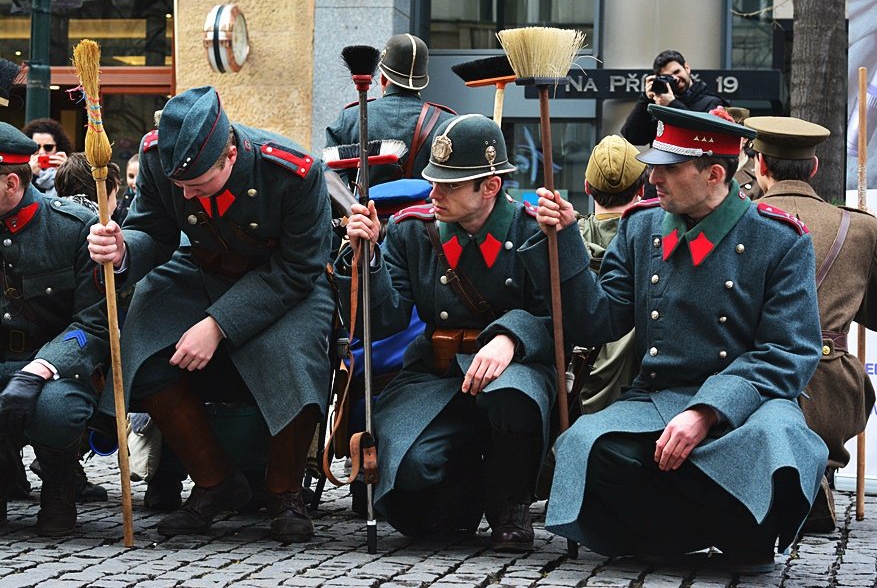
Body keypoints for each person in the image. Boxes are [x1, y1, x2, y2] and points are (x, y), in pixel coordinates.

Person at [521, 104, 828, 573]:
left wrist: (706, 412)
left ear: (715, 173)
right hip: (658, 396)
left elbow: (789, 351)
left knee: (779, 443)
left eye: (669, 168)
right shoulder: (641, 226)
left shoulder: (779, 239)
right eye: (653, 166)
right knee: (587, 445)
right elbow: (598, 321)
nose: (653, 179)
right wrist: (564, 239)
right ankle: (675, 534)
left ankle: (740, 536)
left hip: (747, 402)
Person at [84, 86, 334, 542]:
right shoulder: (160, 158)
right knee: (140, 344)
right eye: (182, 188)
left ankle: (284, 492)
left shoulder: (294, 172)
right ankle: (217, 482)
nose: (189, 196)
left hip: (284, 283)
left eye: (199, 186)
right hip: (200, 270)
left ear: (231, 156)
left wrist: (218, 325)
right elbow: (152, 232)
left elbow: (300, 268)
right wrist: (122, 249)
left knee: (295, 355)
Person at [336, 113, 555, 552]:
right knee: (408, 481)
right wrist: (368, 258)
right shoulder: (412, 233)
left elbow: (564, 322)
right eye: (434, 181)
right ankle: (469, 485)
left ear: (489, 187)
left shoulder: (533, 232)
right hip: (436, 375)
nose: (434, 193)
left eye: (450, 185)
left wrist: (510, 336)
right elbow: (387, 319)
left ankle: (510, 502)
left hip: (514, 373)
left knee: (511, 397)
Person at [746, 115, 877, 532]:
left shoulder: (743, 219)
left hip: (761, 378)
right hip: (835, 391)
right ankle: (817, 471)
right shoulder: (859, 227)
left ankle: (787, 478)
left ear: (760, 165)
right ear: (814, 168)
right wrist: (868, 252)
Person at [0, 122, 107, 536]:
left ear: (11, 182)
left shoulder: (75, 228)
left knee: (54, 410)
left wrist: (42, 367)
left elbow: (92, 325)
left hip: (60, 368)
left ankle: (59, 486)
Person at [325, 33, 456, 186]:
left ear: (383, 79)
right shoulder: (447, 123)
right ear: (422, 82)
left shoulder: (349, 119)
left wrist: (351, 206)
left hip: (362, 209)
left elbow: (330, 179)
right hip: (426, 210)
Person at [576, 135, 645, 414]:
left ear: (586, 188)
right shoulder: (655, 250)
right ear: (642, 190)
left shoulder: (560, 246)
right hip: (636, 405)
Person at [621, 50, 729, 146]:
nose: (675, 79)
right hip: (661, 167)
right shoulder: (659, 105)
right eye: (668, 77)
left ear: (687, 68)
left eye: (677, 72)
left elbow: (702, 139)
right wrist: (645, 98)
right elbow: (632, 137)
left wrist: (672, 104)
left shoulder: (713, 103)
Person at [21, 118, 74, 198]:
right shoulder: (20, 169)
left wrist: (67, 172)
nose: (42, 152)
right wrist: (27, 174)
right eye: (36, 147)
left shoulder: (69, 169)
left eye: (48, 147)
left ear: (58, 148)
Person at [725, 107, 762, 199]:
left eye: (733, 136)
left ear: (745, 139)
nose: (726, 140)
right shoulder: (707, 169)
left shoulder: (759, 174)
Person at [113, 153, 139, 224]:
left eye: (140, 176)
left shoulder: (153, 202)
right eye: (131, 176)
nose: (135, 182)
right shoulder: (121, 203)